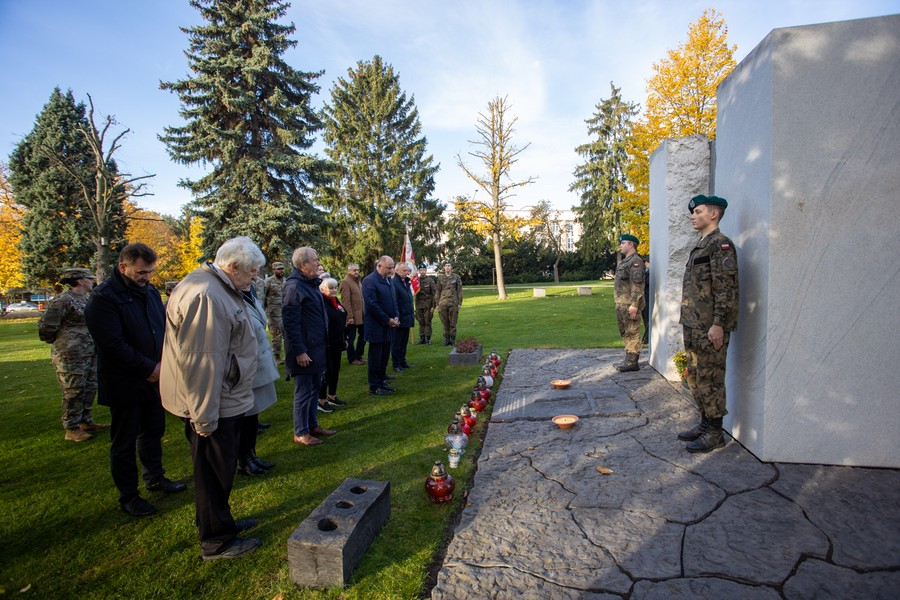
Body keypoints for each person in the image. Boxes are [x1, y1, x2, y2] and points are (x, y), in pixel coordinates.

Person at [161, 236, 262, 559]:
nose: (255, 278)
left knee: (218, 471)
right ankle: (216, 540)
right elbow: (202, 360)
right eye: (252, 272)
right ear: (233, 267)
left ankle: (218, 521)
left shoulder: (218, 286)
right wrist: (204, 415)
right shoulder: (207, 294)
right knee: (212, 472)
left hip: (223, 397)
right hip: (214, 402)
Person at [85, 243, 185, 518]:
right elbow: (112, 345)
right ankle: (129, 496)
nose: (147, 277)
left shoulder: (149, 291)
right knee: (124, 441)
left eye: (150, 272)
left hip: (155, 377)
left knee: (153, 432)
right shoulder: (103, 298)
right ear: (123, 267)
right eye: (141, 272)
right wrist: (148, 368)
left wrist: (165, 362)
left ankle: (155, 478)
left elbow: (160, 326)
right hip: (125, 382)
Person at [677, 195, 739, 453]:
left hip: (709, 327)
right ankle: (705, 422)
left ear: (713, 214)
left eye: (698, 211)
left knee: (711, 378)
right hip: (693, 324)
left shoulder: (720, 245)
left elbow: (726, 288)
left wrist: (718, 325)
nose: (693, 216)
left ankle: (715, 431)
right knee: (695, 377)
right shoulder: (701, 245)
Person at [38, 267, 107, 442]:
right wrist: (64, 342)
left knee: (90, 387)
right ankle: (72, 427)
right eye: (89, 278)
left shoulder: (87, 298)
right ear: (80, 280)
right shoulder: (63, 300)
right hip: (70, 354)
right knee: (73, 390)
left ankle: (86, 421)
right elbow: (47, 326)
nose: (92, 281)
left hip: (89, 351)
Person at [283, 247, 336, 446]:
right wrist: (300, 351)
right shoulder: (294, 287)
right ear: (303, 265)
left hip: (317, 348)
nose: (317, 262)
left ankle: (312, 425)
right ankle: (301, 432)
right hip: (305, 351)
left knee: (314, 389)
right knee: (304, 392)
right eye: (314, 259)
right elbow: (290, 323)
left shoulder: (311, 284)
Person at [237, 267, 279, 476]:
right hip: (243, 364)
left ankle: (252, 454)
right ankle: (243, 460)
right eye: (251, 271)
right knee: (245, 416)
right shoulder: (234, 294)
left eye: (255, 271)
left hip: (257, 360)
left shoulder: (250, 291)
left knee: (253, 415)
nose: (255, 276)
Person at [362, 256, 399, 395]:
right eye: (388, 268)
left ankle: (382, 381)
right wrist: (386, 320)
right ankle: (374, 386)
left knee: (384, 356)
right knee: (375, 358)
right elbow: (372, 305)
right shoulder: (369, 281)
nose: (391, 270)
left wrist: (396, 316)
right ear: (379, 266)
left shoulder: (388, 280)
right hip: (376, 326)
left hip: (388, 325)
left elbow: (393, 300)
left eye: (392, 267)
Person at [613, 234, 645, 372]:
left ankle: (632, 362)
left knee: (632, 331)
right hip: (621, 303)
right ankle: (628, 358)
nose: (621, 245)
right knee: (625, 331)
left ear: (631, 244)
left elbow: (636, 285)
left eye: (623, 243)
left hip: (629, 304)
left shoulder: (635, 262)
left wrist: (634, 304)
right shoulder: (626, 261)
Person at [318, 277, 348, 412]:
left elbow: (341, 318)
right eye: (330, 288)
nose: (334, 290)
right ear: (322, 289)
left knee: (335, 370)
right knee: (326, 371)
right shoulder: (322, 302)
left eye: (335, 287)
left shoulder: (335, 301)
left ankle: (332, 395)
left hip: (338, 341)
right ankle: (321, 399)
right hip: (327, 343)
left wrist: (345, 338)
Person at [340, 263, 366, 365]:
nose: (356, 272)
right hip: (352, 316)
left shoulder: (358, 281)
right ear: (349, 271)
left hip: (361, 315)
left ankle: (359, 356)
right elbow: (345, 301)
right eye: (354, 270)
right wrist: (349, 316)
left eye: (358, 270)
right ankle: (352, 358)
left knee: (364, 335)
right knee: (351, 338)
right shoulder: (345, 282)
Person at [391, 262, 415, 371]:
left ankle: (402, 361)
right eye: (404, 271)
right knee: (397, 342)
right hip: (400, 318)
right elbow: (394, 302)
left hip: (407, 317)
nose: (406, 273)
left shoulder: (405, 282)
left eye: (407, 270)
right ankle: (396, 364)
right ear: (396, 271)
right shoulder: (394, 283)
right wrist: (397, 317)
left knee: (404, 341)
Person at [435, 261, 463, 346]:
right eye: (446, 266)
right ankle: (447, 339)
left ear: (451, 267)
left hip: (453, 303)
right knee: (445, 322)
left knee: (453, 322)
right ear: (444, 267)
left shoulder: (456, 277)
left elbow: (459, 291)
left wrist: (459, 303)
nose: (447, 267)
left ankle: (453, 339)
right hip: (442, 303)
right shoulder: (440, 278)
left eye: (449, 265)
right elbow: (438, 291)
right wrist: (437, 303)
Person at [263, 261, 286, 364]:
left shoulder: (286, 281)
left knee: (288, 334)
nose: (281, 271)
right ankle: (276, 356)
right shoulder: (268, 282)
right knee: (276, 336)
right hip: (274, 313)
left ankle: (288, 355)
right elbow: (263, 296)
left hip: (285, 312)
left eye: (282, 269)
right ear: (273, 270)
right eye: (279, 269)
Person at [414, 263, 436, 344]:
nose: (422, 272)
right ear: (419, 271)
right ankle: (422, 338)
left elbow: (434, 293)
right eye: (421, 270)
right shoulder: (416, 281)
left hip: (428, 304)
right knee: (421, 321)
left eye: (424, 270)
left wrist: (434, 306)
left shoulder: (430, 281)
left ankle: (427, 338)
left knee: (427, 321)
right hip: (419, 304)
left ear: (426, 270)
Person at [641, 258, 650, 344]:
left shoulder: (649, 272)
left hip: (648, 297)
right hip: (644, 298)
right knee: (645, 318)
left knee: (647, 318)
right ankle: (646, 337)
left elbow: (646, 283)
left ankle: (647, 337)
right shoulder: (646, 272)